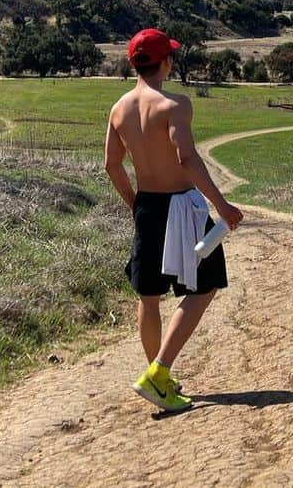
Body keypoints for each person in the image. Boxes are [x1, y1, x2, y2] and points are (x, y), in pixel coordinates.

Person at [103, 28, 244, 413]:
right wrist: (223, 206)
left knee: (149, 296)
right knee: (205, 285)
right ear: (165, 62)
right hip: (182, 207)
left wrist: (134, 204)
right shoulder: (175, 105)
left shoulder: (120, 109)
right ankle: (159, 374)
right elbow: (187, 159)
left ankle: (157, 377)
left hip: (147, 205)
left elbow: (112, 165)